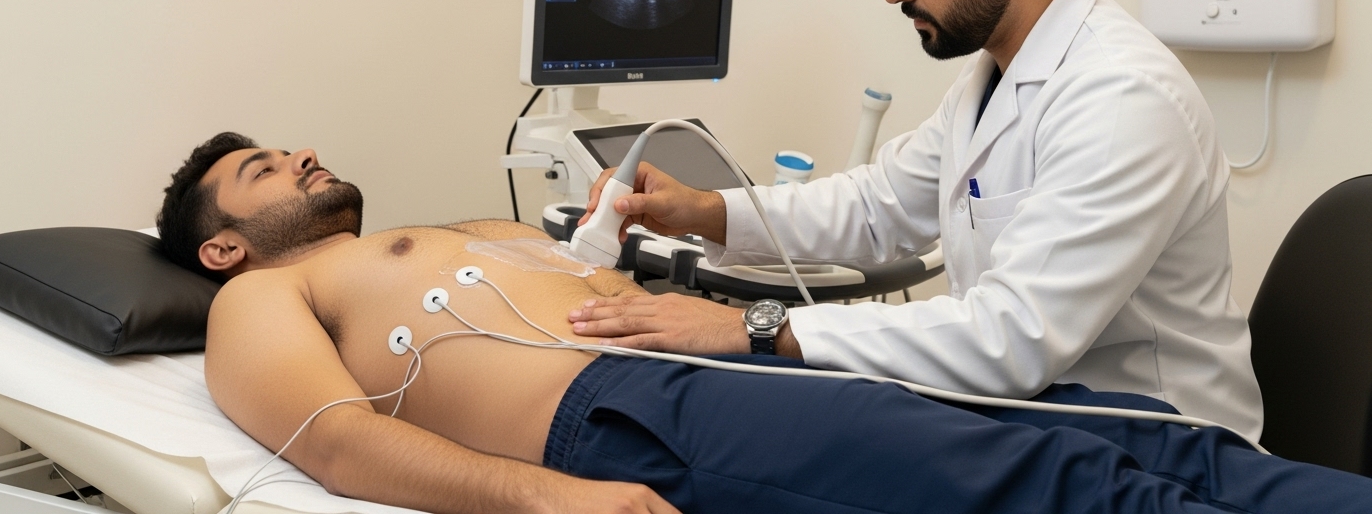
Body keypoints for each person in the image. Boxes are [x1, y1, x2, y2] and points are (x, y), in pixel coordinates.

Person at [160, 132, 1372, 514]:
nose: (301, 157)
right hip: (625, 413)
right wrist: (547, 497)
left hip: (709, 362)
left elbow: (603, 259)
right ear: (220, 243)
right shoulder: (262, 297)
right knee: (1052, 476)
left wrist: (629, 240)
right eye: (266, 170)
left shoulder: (448, 228)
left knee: (1143, 433)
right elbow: (326, 439)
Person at [571, 0, 1263, 438]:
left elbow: (1010, 338)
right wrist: (703, 211)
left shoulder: (1122, 99)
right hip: (1045, 423)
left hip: (1156, 452)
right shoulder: (994, 71)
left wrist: (755, 328)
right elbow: (879, 206)